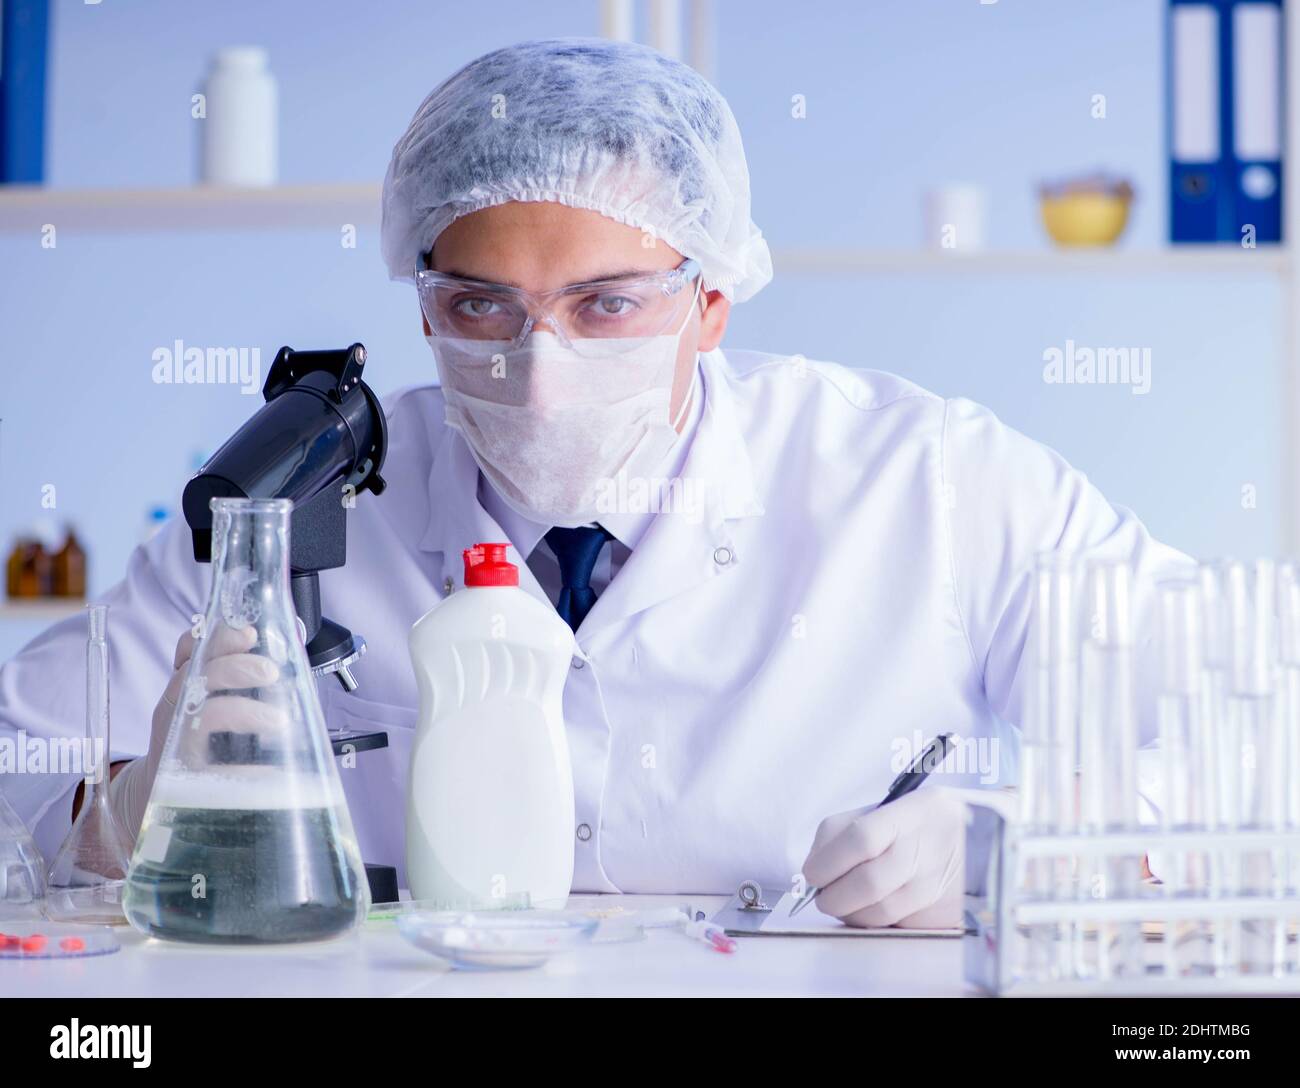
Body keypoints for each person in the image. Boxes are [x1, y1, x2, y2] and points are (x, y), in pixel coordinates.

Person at [0, 38, 1187, 928]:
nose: (540, 372)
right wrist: (118, 811)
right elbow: (19, 767)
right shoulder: (297, 506)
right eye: (481, 307)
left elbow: (1245, 722)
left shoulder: (927, 481)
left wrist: (1014, 843)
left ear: (710, 301)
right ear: (420, 299)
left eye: (606, 304)